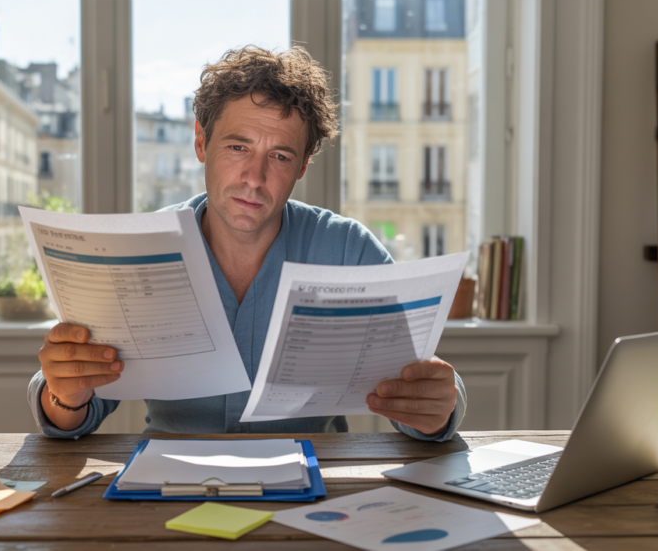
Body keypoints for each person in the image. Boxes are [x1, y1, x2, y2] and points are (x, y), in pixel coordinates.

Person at [28, 46, 466, 440]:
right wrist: (65, 393)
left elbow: (418, 385)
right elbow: (74, 414)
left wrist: (436, 409)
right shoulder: (135, 251)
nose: (255, 178)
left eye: (280, 156)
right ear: (201, 142)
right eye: (238, 148)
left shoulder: (348, 250)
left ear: (303, 166)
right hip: (167, 482)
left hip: (315, 484)